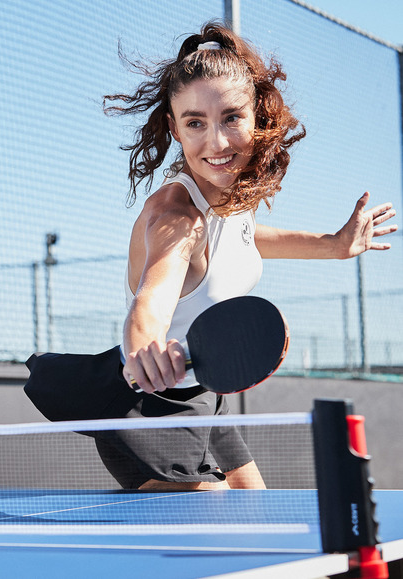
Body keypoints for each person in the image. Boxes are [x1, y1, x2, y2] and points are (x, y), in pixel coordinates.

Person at [93, 21, 397, 491]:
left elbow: (247, 238)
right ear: (174, 128)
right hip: (147, 405)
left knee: (255, 501)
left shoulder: (232, 201)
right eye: (195, 122)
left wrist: (335, 246)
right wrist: (144, 348)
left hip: (203, 396)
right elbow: (150, 301)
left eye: (231, 117)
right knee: (211, 515)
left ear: (257, 117)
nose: (215, 143)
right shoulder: (176, 215)